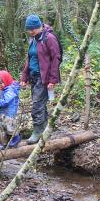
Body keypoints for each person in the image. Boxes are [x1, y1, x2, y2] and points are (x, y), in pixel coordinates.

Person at [20, 14, 62, 144]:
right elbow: (30, 59)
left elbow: (57, 58)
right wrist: (24, 77)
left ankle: (38, 131)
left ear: (39, 27)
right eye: (29, 29)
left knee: (37, 106)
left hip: (44, 78)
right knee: (40, 105)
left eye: (33, 29)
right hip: (33, 77)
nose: (31, 32)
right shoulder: (33, 40)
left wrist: (53, 79)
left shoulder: (49, 38)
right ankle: (44, 130)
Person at [0, 70, 21, 149]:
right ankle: (4, 143)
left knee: (10, 127)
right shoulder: (5, 89)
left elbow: (5, 102)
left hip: (9, 113)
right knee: (2, 128)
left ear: (6, 80)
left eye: (1, 83)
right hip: (4, 112)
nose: (0, 85)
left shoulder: (10, 90)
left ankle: (16, 138)